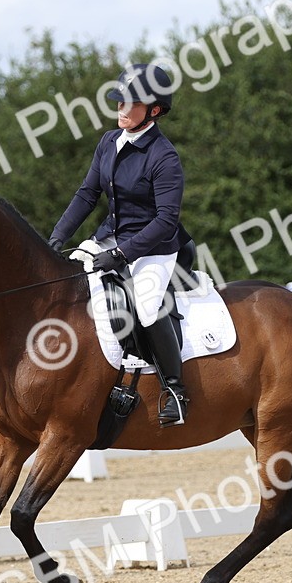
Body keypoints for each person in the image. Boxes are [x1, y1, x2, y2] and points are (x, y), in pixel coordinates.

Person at [49, 63, 191, 427]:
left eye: (131, 104)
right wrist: (57, 237)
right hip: (109, 237)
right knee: (68, 282)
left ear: (154, 110)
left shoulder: (164, 157)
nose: (122, 110)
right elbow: (87, 194)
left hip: (154, 247)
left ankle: (174, 388)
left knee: (144, 307)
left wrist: (122, 254)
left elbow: (165, 221)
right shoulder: (109, 143)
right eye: (119, 102)